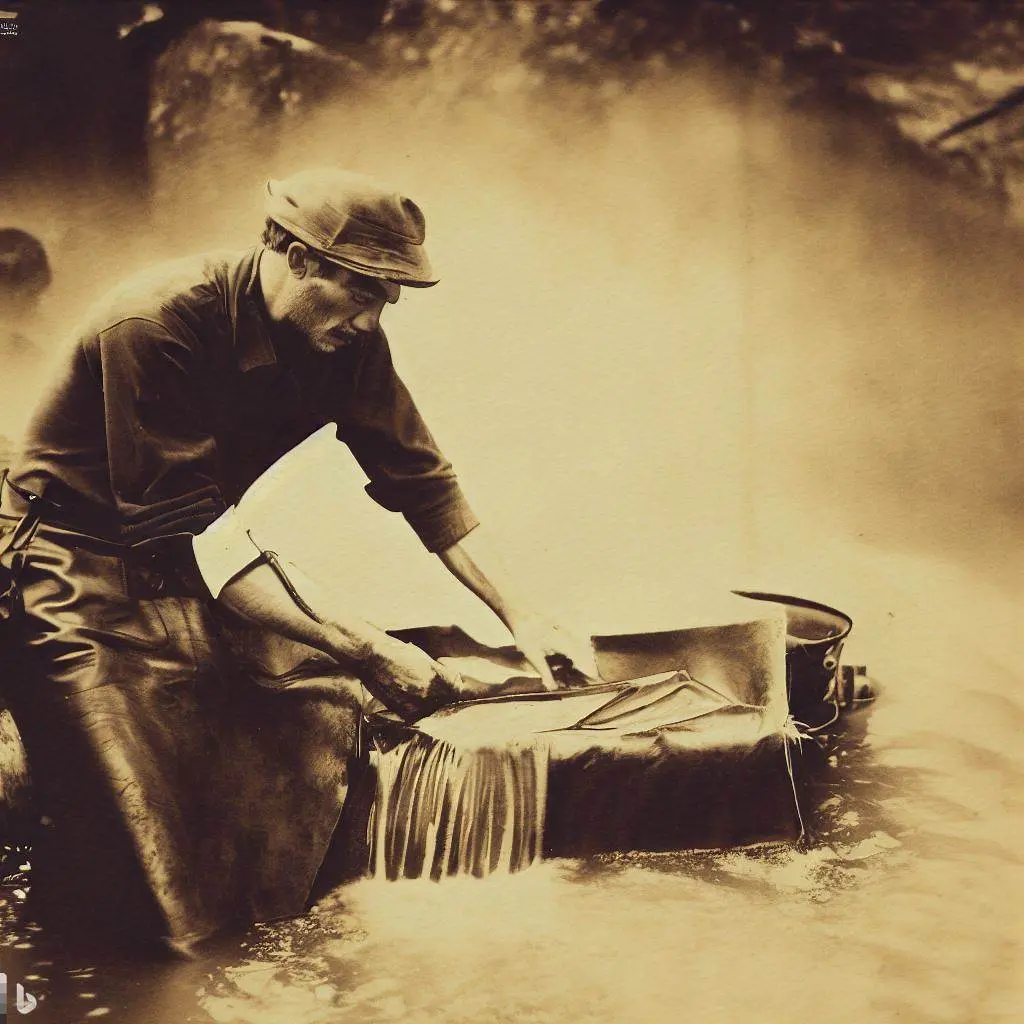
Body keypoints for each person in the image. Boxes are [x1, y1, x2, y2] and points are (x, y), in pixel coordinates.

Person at [0, 168, 592, 952]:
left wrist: (525, 614)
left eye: (391, 296)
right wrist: (369, 642)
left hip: (192, 561)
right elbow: (205, 538)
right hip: (65, 570)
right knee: (145, 871)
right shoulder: (154, 324)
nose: (375, 314)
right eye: (363, 287)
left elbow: (426, 486)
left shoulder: (349, 341)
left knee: (309, 732)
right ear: (294, 255)